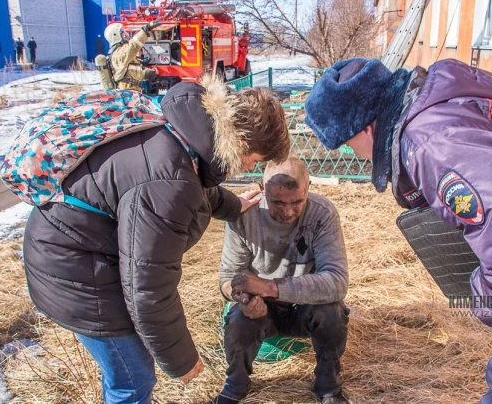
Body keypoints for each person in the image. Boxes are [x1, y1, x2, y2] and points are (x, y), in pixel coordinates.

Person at [304, 57, 492, 403]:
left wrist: (489, 300)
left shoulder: (432, 142)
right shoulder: (439, 112)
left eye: (349, 144)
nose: (357, 155)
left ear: (365, 128)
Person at [22, 76, 291, 403]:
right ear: (243, 144)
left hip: (74, 245)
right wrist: (182, 360)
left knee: (127, 372)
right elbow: (147, 285)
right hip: (74, 269)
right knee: (133, 378)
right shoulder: (169, 184)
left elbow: (194, 177)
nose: (250, 167)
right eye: (256, 160)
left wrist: (234, 204)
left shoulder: (186, 128)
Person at [214, 158, 350, 404]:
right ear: (263, 189)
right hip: (261, 308)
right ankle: (235, 384)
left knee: (332, 310)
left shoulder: (322, 213)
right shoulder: (244, 213)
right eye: (277, 202)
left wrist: (270, 287)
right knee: (238, 318)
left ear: (308, 187)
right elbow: (228, 279)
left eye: (297, 201)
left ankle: (328, 386)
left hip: (303, 306)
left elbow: (337, 280)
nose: (287, 212)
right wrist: (243, 297)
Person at [104, 21, 159, 92]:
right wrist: (146, 30)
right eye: (122, 32)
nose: (126, 34)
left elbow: (130, 69)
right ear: (116, 35)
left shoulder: (119, 52)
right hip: (127, 93)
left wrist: (145, 69)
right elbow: (133, 46)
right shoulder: (119, 53)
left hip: (131, 92)